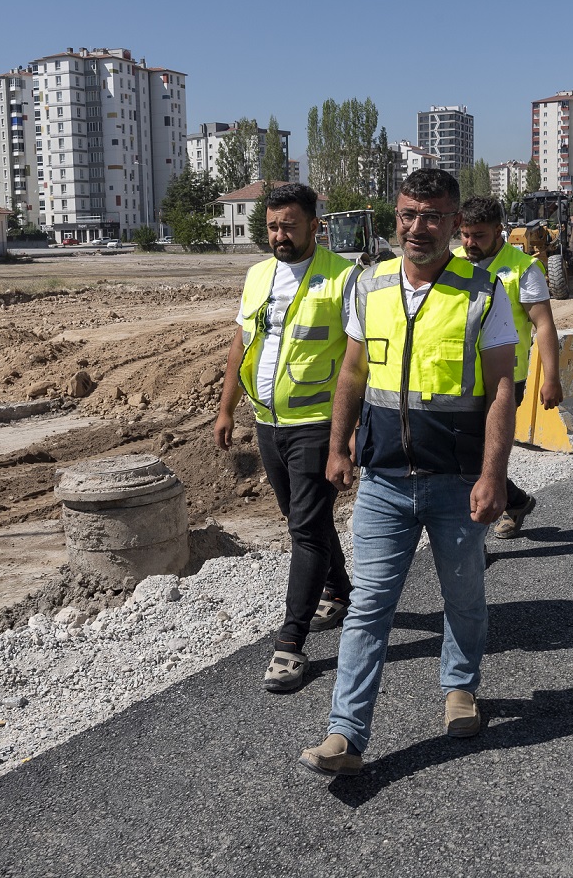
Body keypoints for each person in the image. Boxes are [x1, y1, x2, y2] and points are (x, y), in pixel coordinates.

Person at [297, 169, 518, 776]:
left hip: (456, 478)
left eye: (432, 216)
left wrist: (494, 474)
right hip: (385, 481)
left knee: (463, 595)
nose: (417, 227)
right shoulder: (368, 286)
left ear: (453, 224)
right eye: (408, 214)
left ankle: (460, 687)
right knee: (369, 606)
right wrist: (338, 446)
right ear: (396, 216)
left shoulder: (483, 291)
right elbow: (351, 374)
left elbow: (503, 387)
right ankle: (346, 733)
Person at [216, 184, 358, 694]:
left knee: (303, 529)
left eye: (288, 226)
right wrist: (227, 406)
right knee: (304, 519)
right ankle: (342, 591)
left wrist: (348, 434)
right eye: (272, 226)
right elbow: (241, 342)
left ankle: (290, 644)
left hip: (317, 423)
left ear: (313, 226)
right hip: (268, 422)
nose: (278, 235)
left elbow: (356, 362)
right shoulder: (257, 276)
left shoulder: (343, 278)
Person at [455, 195, 563, 538]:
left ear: (499, 231)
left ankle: (473, 542)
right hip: (458, 376)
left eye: (479, 236)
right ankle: (515, 500)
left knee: (475, 454)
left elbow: (543, 324)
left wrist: (552, 378)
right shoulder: (453, 262)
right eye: (465, 235)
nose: (470, 243)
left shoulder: (522, 269)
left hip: (505, 378)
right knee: (470, 454)